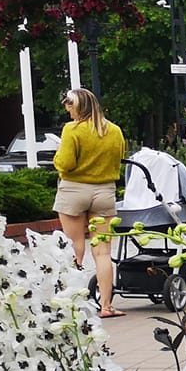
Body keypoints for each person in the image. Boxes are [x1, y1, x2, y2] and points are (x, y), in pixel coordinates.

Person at [52, 87, 127, 318]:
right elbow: (120, 157)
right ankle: (107, 306)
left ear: (80, 106)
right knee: (103, 253)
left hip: (74, 190)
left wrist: (57, 158)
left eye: (70, 105)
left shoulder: (72, 130)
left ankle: (73, 303)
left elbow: (65, 163)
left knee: (75, 247)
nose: (68, 110)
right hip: (104, 192)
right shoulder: (114, 130)